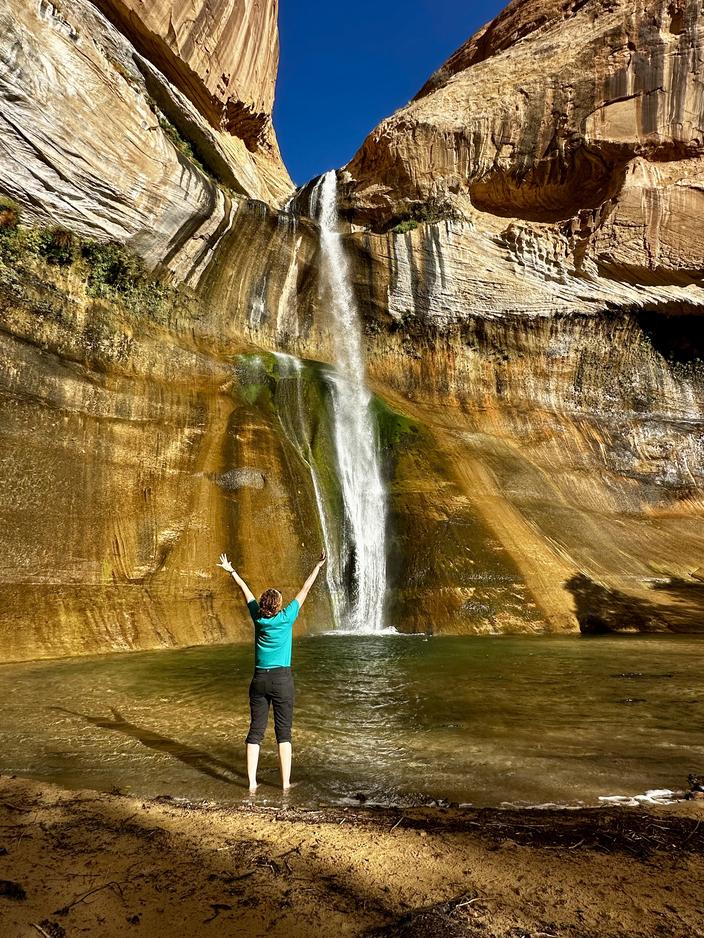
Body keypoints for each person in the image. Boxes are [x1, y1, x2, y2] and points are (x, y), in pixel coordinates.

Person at [217, 550, 326, 791]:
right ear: (278, 606)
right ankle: (285, 784)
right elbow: (305, 590)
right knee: (283, 733)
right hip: (282, 680)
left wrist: (231, 571)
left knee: (255, 732)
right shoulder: (286, 617)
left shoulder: (258, 617)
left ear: (263, 606)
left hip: (259, 679)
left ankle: (252, 783)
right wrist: (317, 566)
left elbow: (244, 591)